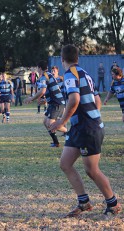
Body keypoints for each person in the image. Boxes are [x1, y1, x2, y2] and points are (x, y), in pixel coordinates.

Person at [50, 44, 121, 217]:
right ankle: (84, 202)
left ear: (62, 59)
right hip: (80, 127)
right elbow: (96, 101)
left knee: (92, 170)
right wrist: (89, 116)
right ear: (77, 58)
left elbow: (74, 99)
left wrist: (62, 121)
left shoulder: (69, 75)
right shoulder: (85, 74)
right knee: (65, 164)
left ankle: (113, 204)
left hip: (87, 128)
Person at [25, 60, 66, 147]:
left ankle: (69, 132)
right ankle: (56, 142)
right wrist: (45, 100)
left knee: (51, 124)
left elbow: (42, 91)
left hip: (57, 103)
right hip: (53, 103)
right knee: (45, 122)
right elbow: (51, 90)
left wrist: (31, 99)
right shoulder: (47, 75)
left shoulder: (45, 76)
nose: (37, 70)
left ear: (39, 68)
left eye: (37, 68)